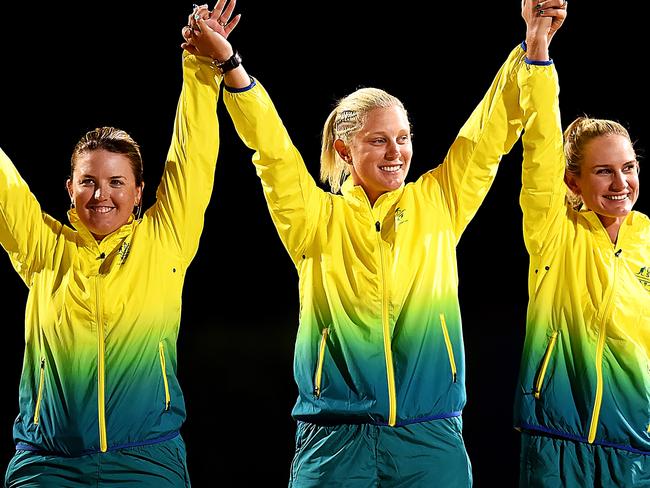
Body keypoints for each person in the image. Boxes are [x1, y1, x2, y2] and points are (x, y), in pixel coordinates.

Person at [182, 2, 566, 486]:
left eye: (403, 138)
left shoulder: (438, 202)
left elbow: (487, 136)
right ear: (345, 150)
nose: (396, 152)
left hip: (431, 437)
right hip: (333, 439)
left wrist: (533, 51)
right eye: (379, 140)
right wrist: (231, 66)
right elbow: (272, 151)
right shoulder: (314, 217)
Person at [0, 3, 239, 486]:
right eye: (88, 181)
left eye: (115, 182)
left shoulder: (164, 240)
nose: (101, 194)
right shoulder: (44, 247)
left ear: (138, 191)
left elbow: (192, 156)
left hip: (147, 461)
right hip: (47, 464)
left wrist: (200, 66)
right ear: (70, 188)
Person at [513, 1, 649, 486]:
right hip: (556, 441)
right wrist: (538, 52)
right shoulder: (553, 232)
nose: (620, 183)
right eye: (603, 171)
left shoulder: (648, 240)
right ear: (571, 181)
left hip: (637, 446)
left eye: (629, 168)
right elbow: (541, 144)